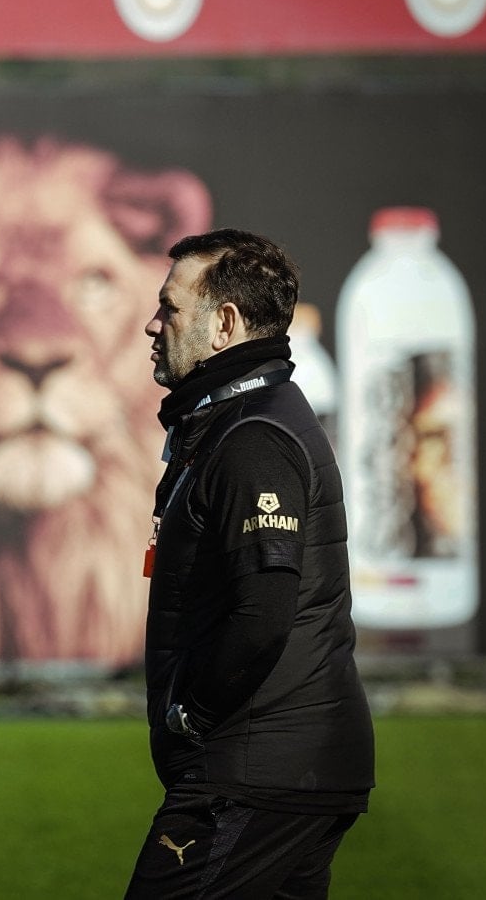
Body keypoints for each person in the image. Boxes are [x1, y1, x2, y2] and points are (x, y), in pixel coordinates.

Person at [124, 229, 374, 899]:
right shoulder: (236, 420)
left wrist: (190, 712)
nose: (152, 324)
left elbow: (263, 611)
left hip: (254, 771)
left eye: (170, 307)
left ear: (224, 325)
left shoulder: (253, 435)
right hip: (284, 767)